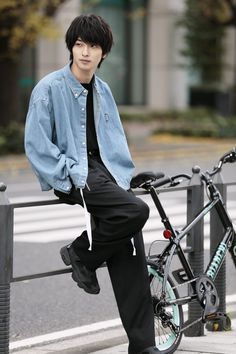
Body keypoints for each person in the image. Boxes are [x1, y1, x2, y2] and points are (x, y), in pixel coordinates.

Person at [24, 14, 159, 354]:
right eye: (79, 44)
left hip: (105, 176)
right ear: (71, 47)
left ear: (103, 53)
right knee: (135, 211)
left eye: (93, 45)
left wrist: (126, 175)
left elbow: (113, 140)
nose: (85, 52)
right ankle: (81, 253)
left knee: (130, 255)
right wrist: (67, 174)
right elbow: (37, 145)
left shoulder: (103, 90)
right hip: (76, 175)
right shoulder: (49, 89)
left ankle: (142, 346)